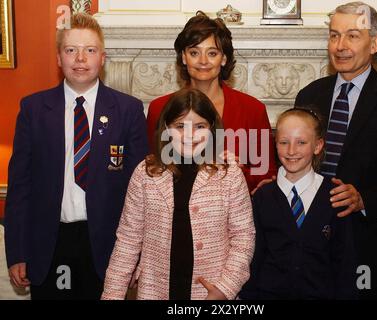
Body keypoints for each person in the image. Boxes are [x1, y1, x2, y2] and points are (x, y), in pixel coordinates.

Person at [4, 13, 149, 300]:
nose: (80, 59)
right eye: (71, 50)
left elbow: (141, 190)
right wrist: (17, 251)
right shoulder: (34, 109)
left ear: (102, 58)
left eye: (90, 50)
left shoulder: (128, 111)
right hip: (50, 243)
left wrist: (139, 253)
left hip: (110, 245)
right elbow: (20, 185)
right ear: (59, 58)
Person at [294, 2, 377, 300]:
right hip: (308, 249)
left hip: (366, 249)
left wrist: (364, 199)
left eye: (353, 36)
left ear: (375, 43)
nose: (340, 46)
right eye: (333, 36)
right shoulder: (309, 95)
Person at [102, 88, 255, 300]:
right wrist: (112, 295)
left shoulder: (229, 174)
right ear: (166, 127)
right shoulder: (145, 173)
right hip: (155, 289)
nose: (189, 135)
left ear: (212, 130)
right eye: (180, 126)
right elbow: (128, 239)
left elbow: (243, 238)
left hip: (212, 291)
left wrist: (225, 288)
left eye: (200, 126)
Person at [146, 11, 277, 193]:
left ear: (223, 59)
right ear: (184, 57)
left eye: (212, 53)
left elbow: (265, 172)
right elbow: (152, 167)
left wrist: (236, 171)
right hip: (176, 209)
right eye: (194, 52)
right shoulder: (159, 108)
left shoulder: (252, 109)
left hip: (237, 210)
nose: (203, 61)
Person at [239, 108, 357, 300]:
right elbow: (254, 257)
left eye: (301, 142)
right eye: (284, 142)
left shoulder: (335, 197)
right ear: (275, 145)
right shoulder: (262, 197)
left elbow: (344, 264)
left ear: (318, 146)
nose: (291, 150)